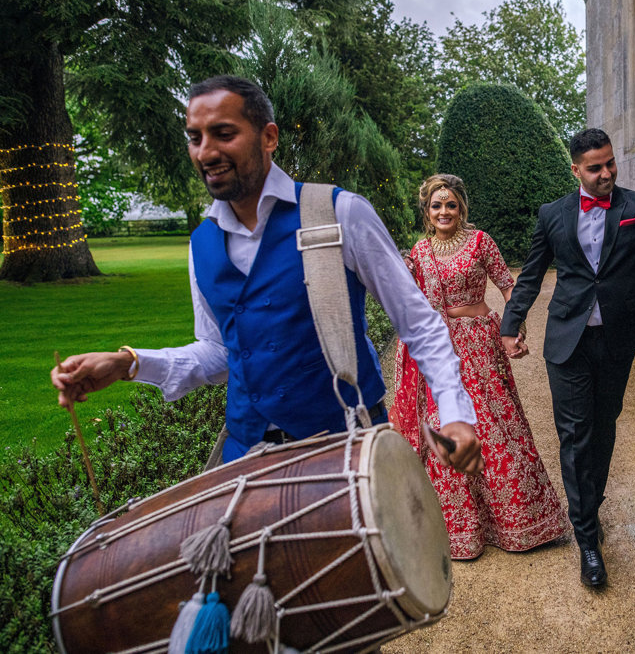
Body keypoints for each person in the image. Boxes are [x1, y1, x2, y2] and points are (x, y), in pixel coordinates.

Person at [51, 75, 483, 475]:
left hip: (346, 450)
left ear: (269, 137)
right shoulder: (201, 243)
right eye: (195, 138)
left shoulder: (339, 212)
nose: (206, 151)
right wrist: (129, 363)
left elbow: (417, 322)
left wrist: (455, 411)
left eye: (224, 133)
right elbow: (219, 353)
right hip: (245, 460)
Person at [500, 126, 635, 586]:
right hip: (566, 341)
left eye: (610, 163)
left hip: (616, 339)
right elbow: (531, 276)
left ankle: (587, 507)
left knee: (603, 426)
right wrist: (510, 324)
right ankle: (588, 541)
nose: (606, 173)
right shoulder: (552, 214)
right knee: (575, 434)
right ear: (576, 170)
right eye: (594, 168)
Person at [390, 174, 569, 559]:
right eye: (436, 205)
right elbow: (400, 289)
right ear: (426, 211)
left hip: (480, 346)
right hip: (438, 350)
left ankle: (519, 523)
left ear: (461, 208)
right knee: (444, 430)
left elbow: (509, 287)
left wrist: (514, 327)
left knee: (495, 428)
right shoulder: (418, 253)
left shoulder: (480, 241)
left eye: (450, 204)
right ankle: (460, 532)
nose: (443, 211)